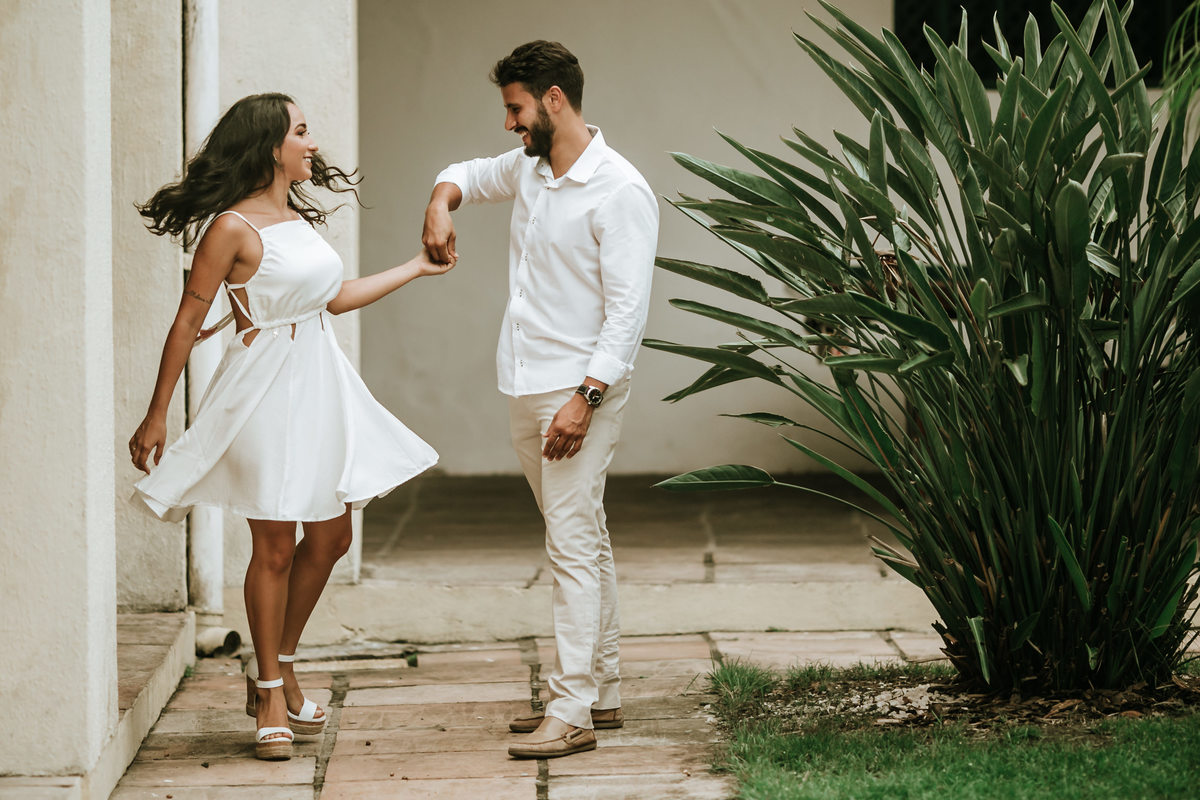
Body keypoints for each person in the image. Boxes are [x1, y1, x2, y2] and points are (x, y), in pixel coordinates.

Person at [128, 92, 450, 761]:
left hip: (321, 386)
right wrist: (158, 413)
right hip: (263, 391)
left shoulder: (296, 219)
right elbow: (187, 322)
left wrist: (417, 267)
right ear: (271, 146)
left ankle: (280, 662)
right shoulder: (230, 229)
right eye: (301, 131)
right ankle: (271, 692)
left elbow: (332, 299)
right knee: (274, 546)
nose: (312, 143)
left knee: (332, 536)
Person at [423, 41, 659, 759]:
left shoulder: (619, 190)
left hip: (578, 392)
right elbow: (463, 174)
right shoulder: (530, 168)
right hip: (523, 381)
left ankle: (571, 708)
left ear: (554, 99)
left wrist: (585, 399)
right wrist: (439, 205)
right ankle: (602, 692)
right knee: (582, 534)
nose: (509, 124)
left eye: (516, 108)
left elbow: (628, 313)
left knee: (571, 545)